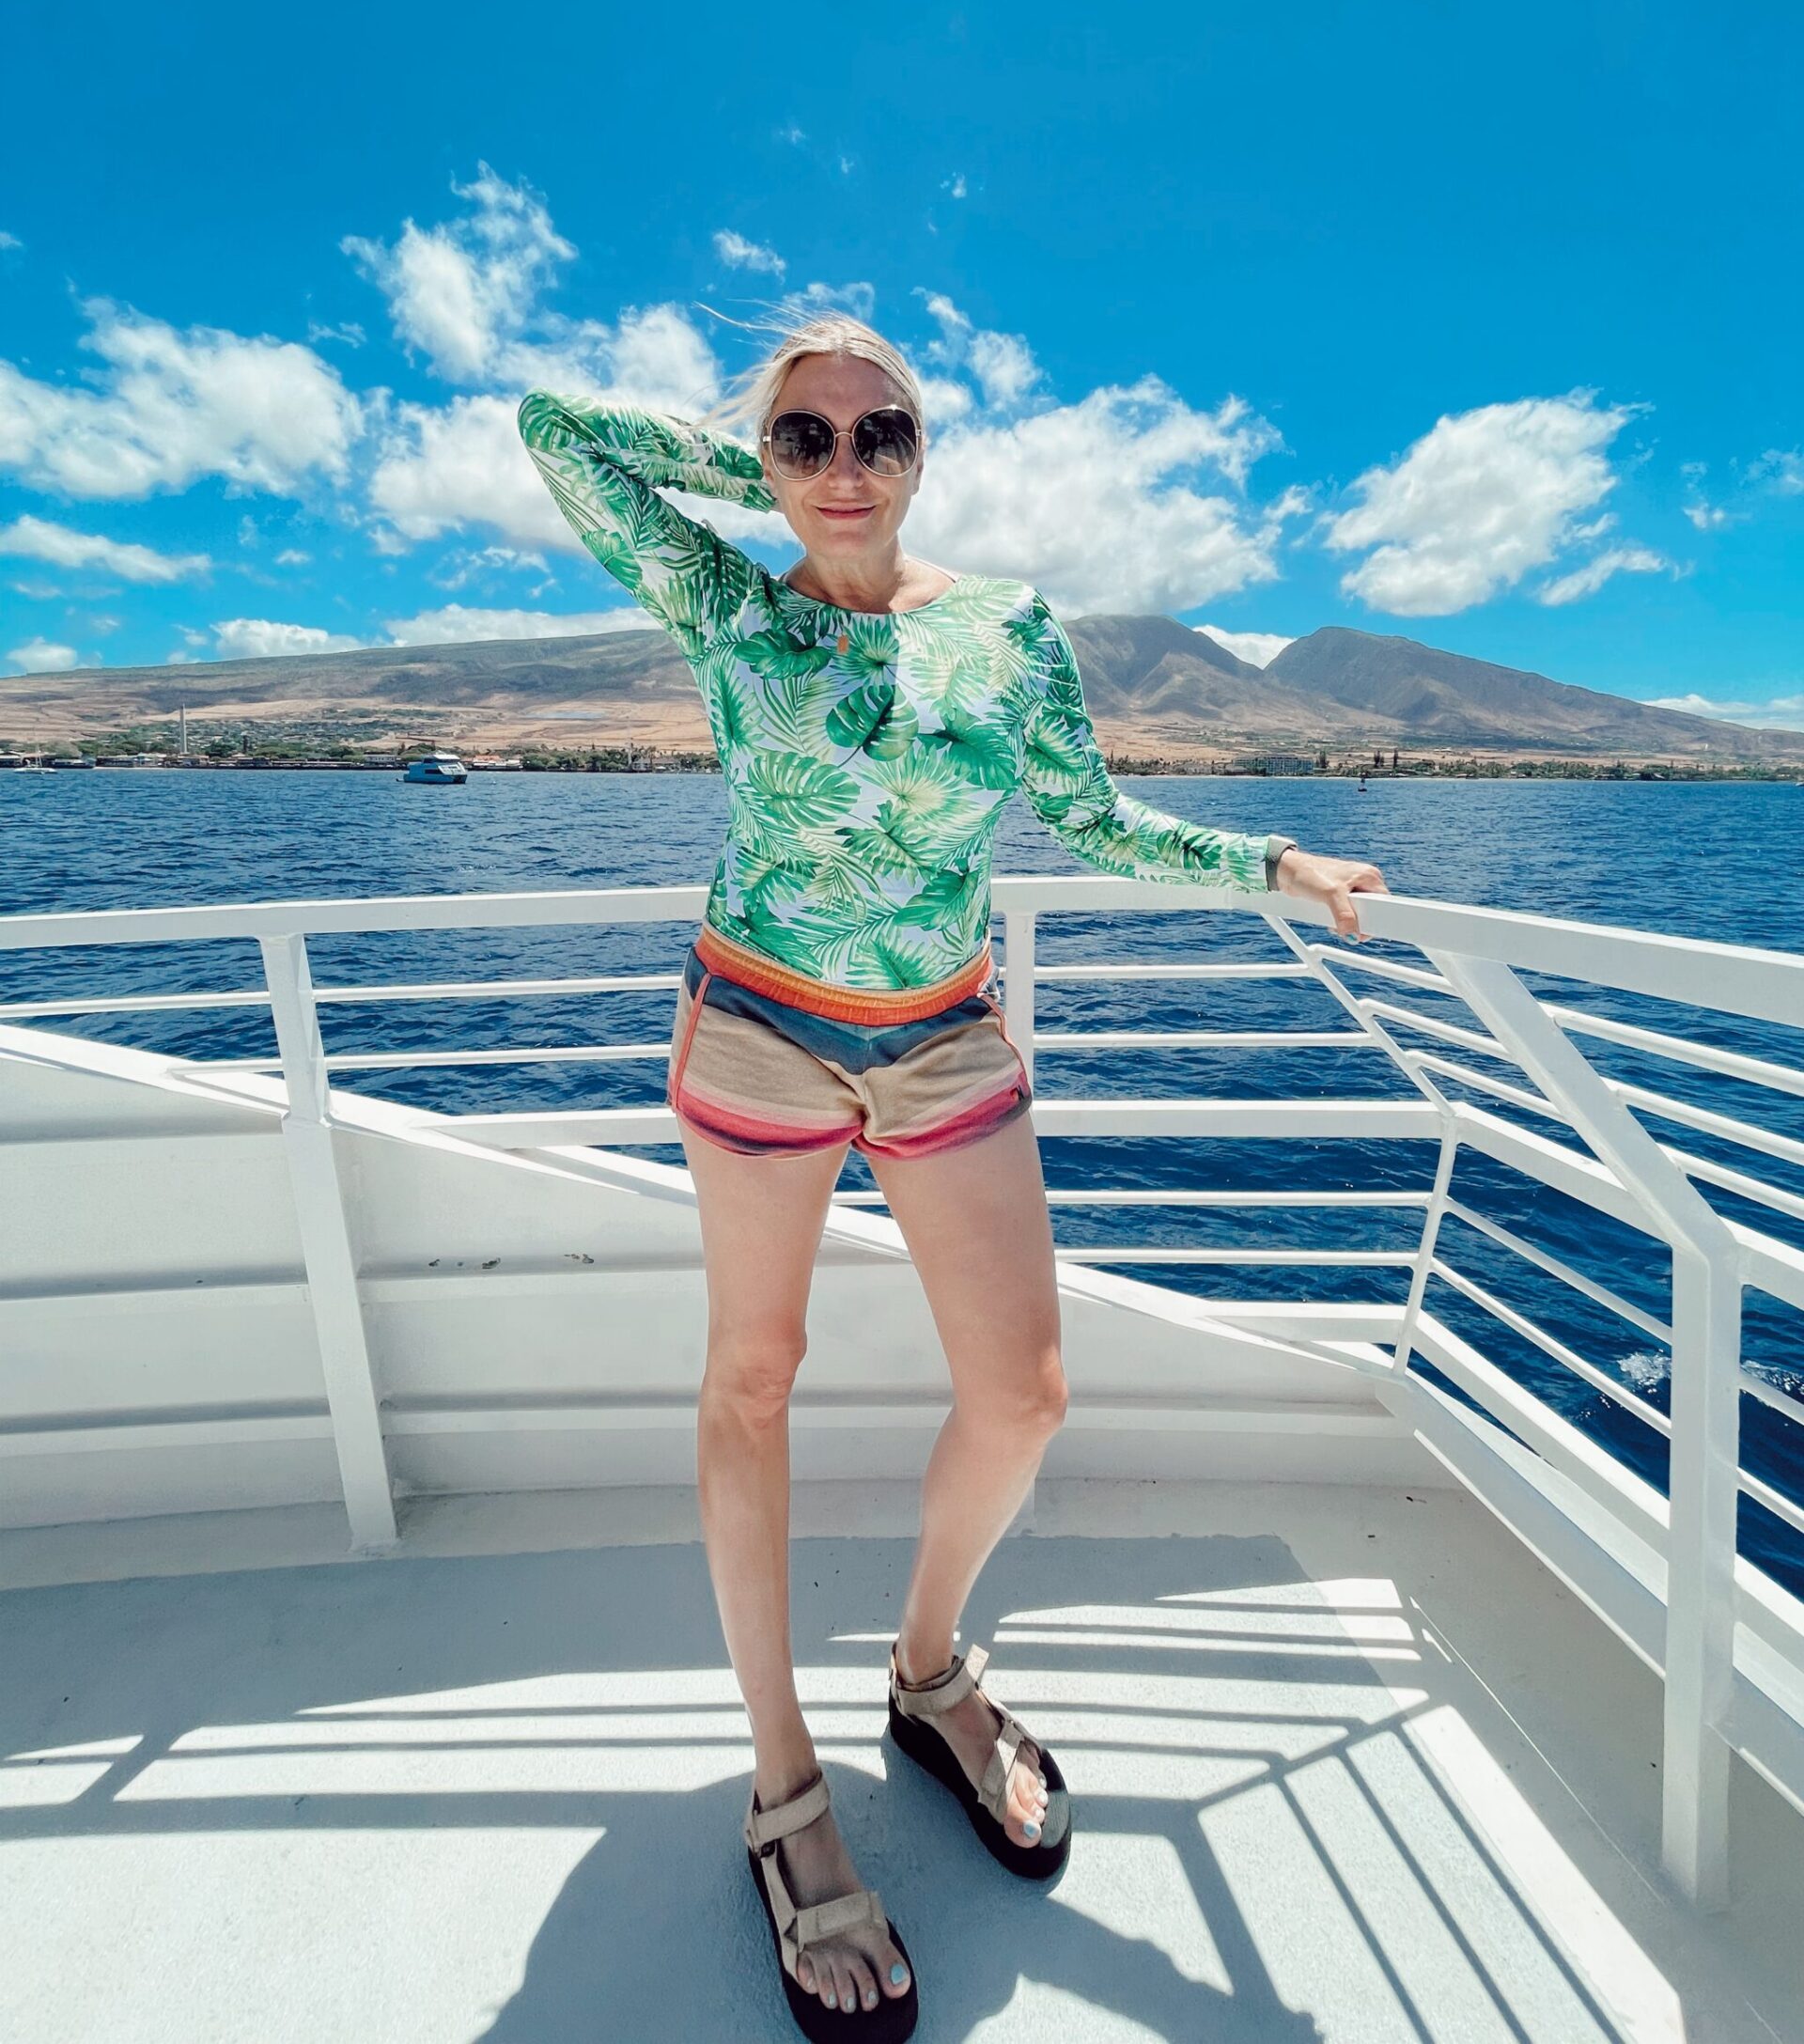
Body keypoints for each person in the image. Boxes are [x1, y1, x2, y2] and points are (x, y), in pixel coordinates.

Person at [518, 312, 1387, 2040]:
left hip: (945, 1037)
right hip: (759, 1025)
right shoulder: (730, 601)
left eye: (882, 433)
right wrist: (742, 444)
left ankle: (923, 1676)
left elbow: (1099, 818)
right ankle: (786, 1796)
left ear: (928, 454)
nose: (847, 467)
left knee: (1028, 1397)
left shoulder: (1005, 630)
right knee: (752, 1380)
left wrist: (1269, 859)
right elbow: (554, 426)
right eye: (811, 441)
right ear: (772, 463)